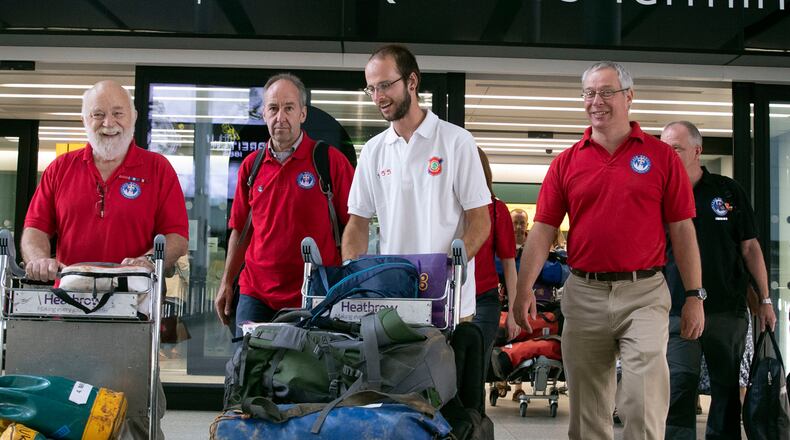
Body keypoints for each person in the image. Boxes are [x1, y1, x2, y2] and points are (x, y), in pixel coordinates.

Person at [512, 61, 702, 440]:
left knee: (643, 401)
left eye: (606, 92)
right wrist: (523, 289)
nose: (596, 101)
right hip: (584, 294)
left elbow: (682, 229)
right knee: (587, 414)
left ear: (629, 97)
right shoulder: (567, 161)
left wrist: (695, 295)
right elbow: (543, 230)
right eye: (589, 93)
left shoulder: (661, 158)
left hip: (644, 293)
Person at [21, 79, 189, 439]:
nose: (108, 122)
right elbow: (34, 230)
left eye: (117, 113)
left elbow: (176, 237)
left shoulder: (158, 170)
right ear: (85, 120)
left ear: (134, 117)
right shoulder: (60, 169)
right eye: (98, 114)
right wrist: (39, 259)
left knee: (137, 410)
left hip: (134, 316)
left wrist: (148, 259)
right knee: (66, 405)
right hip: (67, 312)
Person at [342, 44, 491, 321]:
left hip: (449, 303)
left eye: (385, 85)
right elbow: (357, 223)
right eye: (371, 89)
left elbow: (480, 221)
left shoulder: (457, 142)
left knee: (444, 366)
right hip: (391, 299)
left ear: (412, 81)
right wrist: (354, 275)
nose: (378, 97)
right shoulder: (374, 150)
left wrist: (447, 270)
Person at [660, 120, 777, 439]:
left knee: (725, 393)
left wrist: (765, 299)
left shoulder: (727, 191)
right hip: (676, 309)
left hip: (726, 310)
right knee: (679, 387)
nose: (667, 155)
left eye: (676, 149)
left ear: (697, 151)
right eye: (664, 148)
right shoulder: (659, 193)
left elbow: (750, 247)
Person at [214, 73, 354, 336]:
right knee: (247, 369)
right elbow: (240, 231)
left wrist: (346, 284)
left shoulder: (329, 161)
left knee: (305, 374)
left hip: (314, 293)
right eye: (273, 108)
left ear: (302, 113)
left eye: (289, 108)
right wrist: (226, 283)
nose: (281, 117)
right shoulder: (251, 167)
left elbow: (354, 226)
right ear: (264, 114)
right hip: (256, 293)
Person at [474, 148, 518, 378]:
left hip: (482, 300)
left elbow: (509, 264)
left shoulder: (496, 210)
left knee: (475, 371)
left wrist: (513, 312)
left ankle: (473, 414)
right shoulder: (442, 208)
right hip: (445, 301)